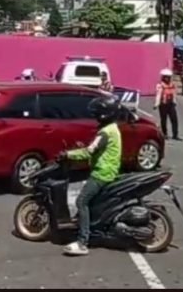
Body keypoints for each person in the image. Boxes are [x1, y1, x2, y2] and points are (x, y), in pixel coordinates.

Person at [60, 95, 122, 256]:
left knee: (81, 201)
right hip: (109, 171)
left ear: (104, 114)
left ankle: (82, 242)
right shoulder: (113, 128)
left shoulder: (105, 132)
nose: (94, 116)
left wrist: (68, 155)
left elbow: (89, 152)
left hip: (102, 173)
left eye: (96, 113)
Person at [154, 68, 180, 140]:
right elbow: (158, 95)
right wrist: (156, 104)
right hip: (163, 104)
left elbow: (174, 94)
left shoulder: (172, 85)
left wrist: (174, 102)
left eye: (168, 77)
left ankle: (175, 135)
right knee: (164, 120)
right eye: (165, 77)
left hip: (171, 104)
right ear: (163, 77)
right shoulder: (160, 85)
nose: (167, 78)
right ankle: (165, 134)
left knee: (174, 119)